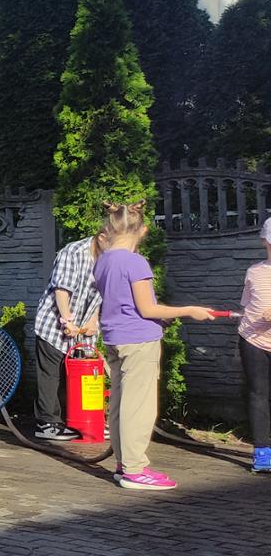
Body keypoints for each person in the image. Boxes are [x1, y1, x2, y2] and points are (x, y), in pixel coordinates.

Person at [94, 202, 217, 491]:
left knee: (121, 403)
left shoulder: (103, 260)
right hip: (138, 340)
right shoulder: (135, 262)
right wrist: (190, 310)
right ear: (143, 230)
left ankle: (125, 464)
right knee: (139, 407)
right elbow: (148, 309)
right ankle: (134, 470)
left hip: (115, 339)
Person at [30, 232, 104, 441]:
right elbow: (61, 290)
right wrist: (67, 321)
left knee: (81, 378)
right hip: (54, 324)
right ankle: (47, 423)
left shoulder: (109, 258)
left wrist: (93, 320)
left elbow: (99, 294)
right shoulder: (73, 252)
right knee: (51, 375)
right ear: (102, 236)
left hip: (83, 327)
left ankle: (85, 421)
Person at [238, 221, 271, 474]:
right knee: (258, 394)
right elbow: (247, 305)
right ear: (264, 242)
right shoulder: (254, 271)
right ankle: (262, 452)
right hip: (253, 340)